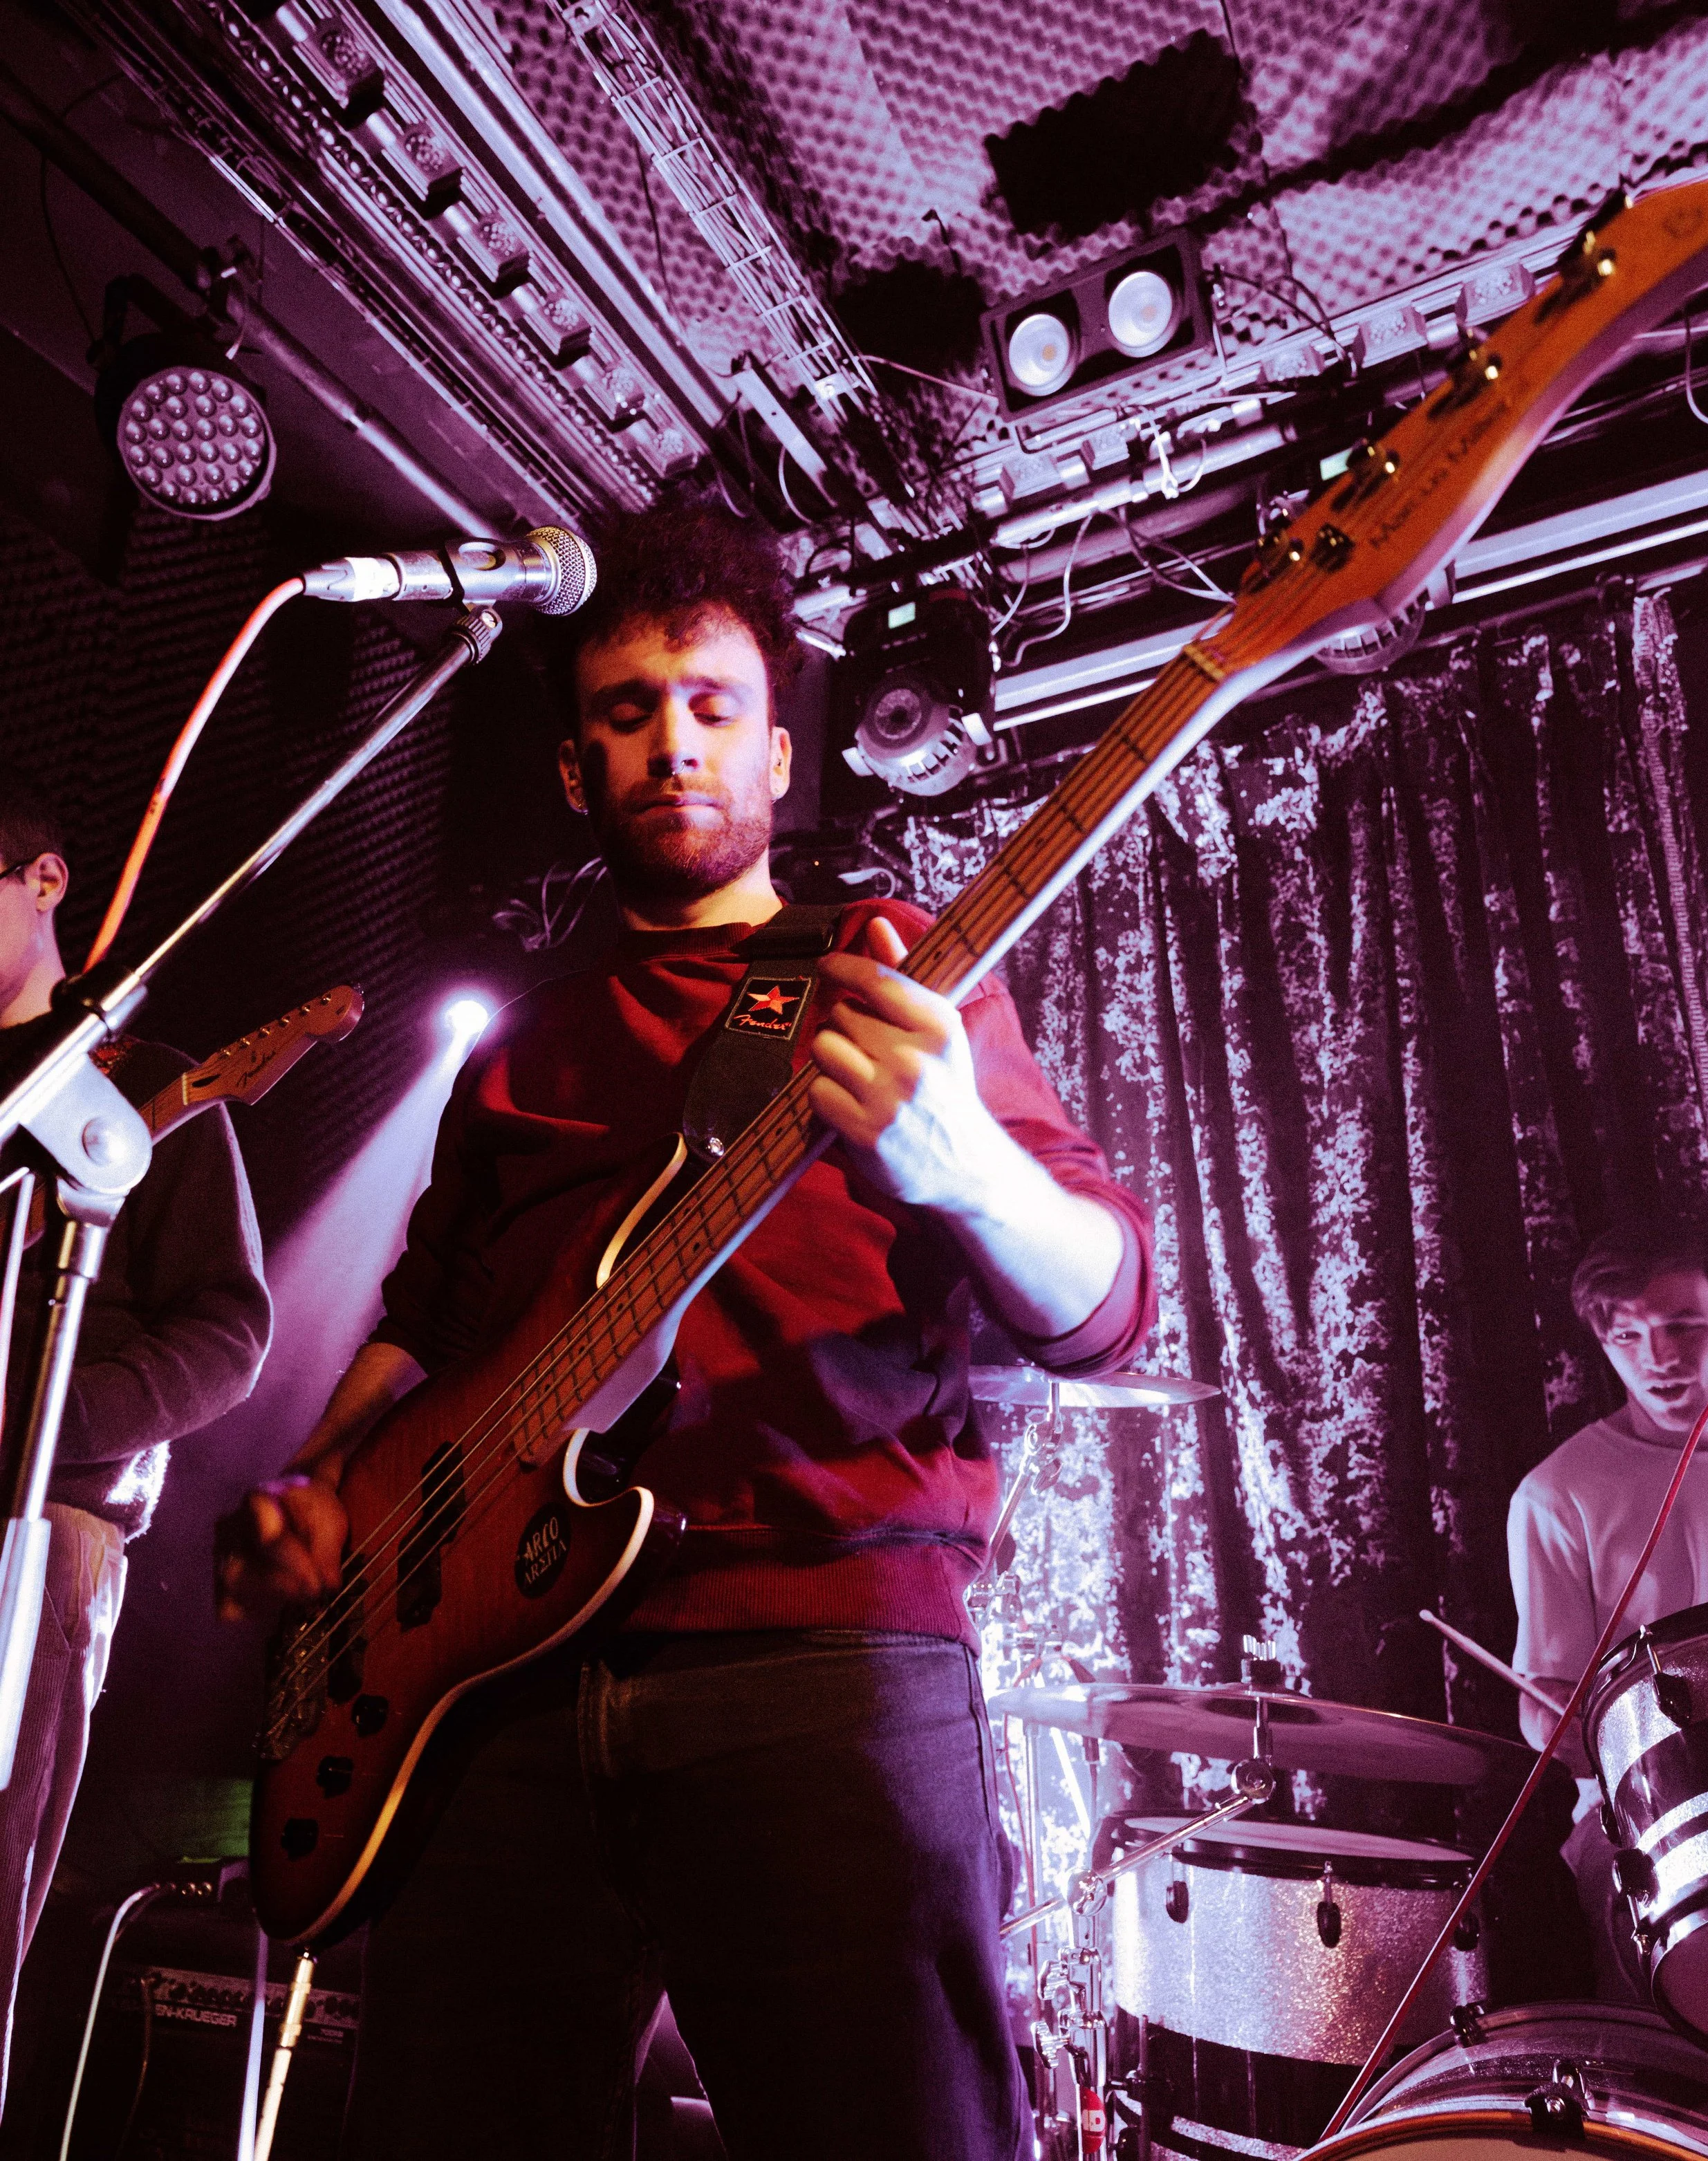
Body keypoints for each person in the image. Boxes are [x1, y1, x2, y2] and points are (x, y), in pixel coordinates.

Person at [216, 505, 1156, 2160]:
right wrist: (322, 1499)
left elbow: (1105, 1302)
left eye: (714, 705)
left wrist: (966, 1166)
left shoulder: (895, 975)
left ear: (781, 754)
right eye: (627, 711)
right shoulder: (521, 1050)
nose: (674, 743)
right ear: (577, 769)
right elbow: (425, 1320)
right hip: (488, 1702)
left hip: (819, 1664)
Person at [0, 765, 271, 2103]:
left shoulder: (137, 1086)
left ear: (44, 880)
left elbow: (230, 1332)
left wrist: (51, 1436)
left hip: (36, 1536)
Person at [1508, 1221, 1708, 2004]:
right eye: (1627, 1335)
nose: (1657, 1357)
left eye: (1682, 1327)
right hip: (1646, 1829)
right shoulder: (1555, 1496)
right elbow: (1549, 1721)